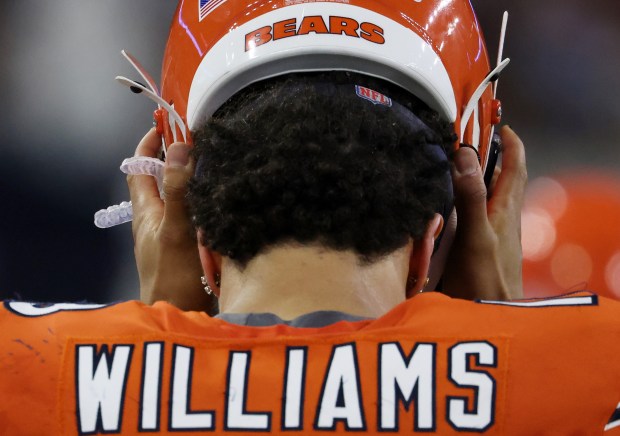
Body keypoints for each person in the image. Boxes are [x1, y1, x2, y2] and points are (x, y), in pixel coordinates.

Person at [1, 1, 619, 435]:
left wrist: (166, 344)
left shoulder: (26, 370)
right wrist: (499, 342)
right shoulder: (594, 371)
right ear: (450, 227)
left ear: (183, 220)